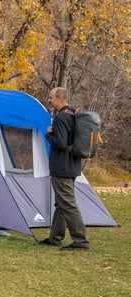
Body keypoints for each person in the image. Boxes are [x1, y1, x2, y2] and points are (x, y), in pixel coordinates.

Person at [40, 87, 89, 251]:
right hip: (72, 166)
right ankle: (55, 238)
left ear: (60, 98)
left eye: (51, 97)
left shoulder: (61, 117)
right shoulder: (73, 115)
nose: (49, 100)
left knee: (67, 204)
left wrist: (49, 134)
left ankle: (80, 241)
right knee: (61, 203)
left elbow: (60, 143)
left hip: (62, 168)